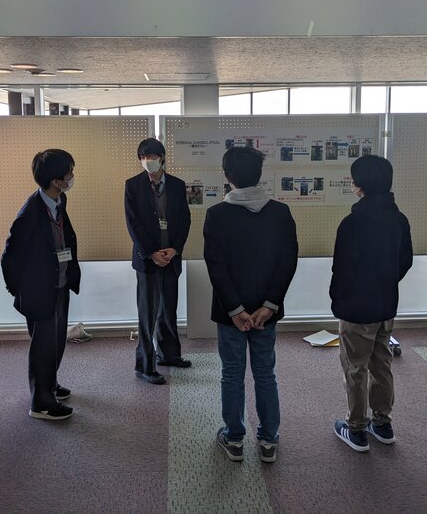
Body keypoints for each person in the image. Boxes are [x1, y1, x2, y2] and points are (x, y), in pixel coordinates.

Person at [203, 147, 298, 463]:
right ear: (259, 175)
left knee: (232, 373)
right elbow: (287, 262)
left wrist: (235, 309)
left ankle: (234, 438)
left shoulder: (217, 215)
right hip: (265, 313)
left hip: (231, 313)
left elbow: (216, 266)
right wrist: (269, 305)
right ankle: (269, 440)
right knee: (265, 373)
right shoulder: (280, 212)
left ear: (227, 176)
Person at [330, 155, 413, 452]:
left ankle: (356, 429)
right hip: (385, 303)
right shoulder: (399, 219)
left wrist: (338, 300)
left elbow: (342, 269)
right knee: (382, 363)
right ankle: (382, 423)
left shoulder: (353, 223)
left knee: (355, 368)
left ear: (360, 185)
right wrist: (386, 282)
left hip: (356, 307)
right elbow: (405, 261)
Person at [1, 149, 81, 420]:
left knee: (56, 342)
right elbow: (9, 257)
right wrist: (20, 290)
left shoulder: (59, 200)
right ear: (56, 180)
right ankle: (41, 403)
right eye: (69, 172)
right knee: (43, 347)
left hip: (59, 284)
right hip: (39, 290)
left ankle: (50, 385)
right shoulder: (30, 214)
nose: (72, 176)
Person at [124, 138, 191, 384]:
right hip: (147, 260)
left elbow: (184, 220)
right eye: (143, 157)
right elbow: (133, 223)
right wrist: (151, 252)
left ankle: (169, 355)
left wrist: (175, 249)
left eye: (151, 156)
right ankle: (144, 365)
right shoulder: (133, 185)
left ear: (162, 157)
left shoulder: (177, 185)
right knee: (148, 314)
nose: (147, 161)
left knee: (168, 310)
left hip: (171, 257)